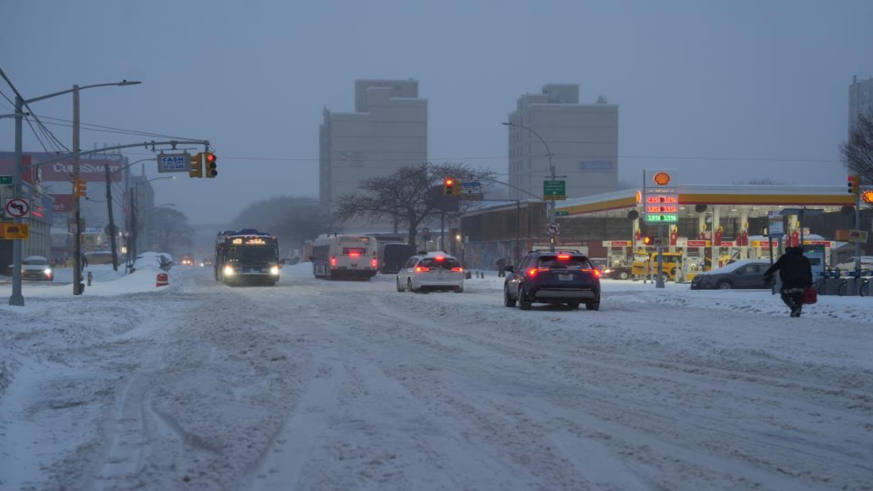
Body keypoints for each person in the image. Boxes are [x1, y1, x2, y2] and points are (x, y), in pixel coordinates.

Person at [764, 247, 813, 318]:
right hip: (802, 282)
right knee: (799, 296)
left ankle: (793, 308)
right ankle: (797, 312)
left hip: (789, 281)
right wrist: (809, 283)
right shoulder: (805, 259)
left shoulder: (785, 257)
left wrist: (767, 273)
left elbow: (776, 266)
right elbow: (809, 272)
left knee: (784, 294)